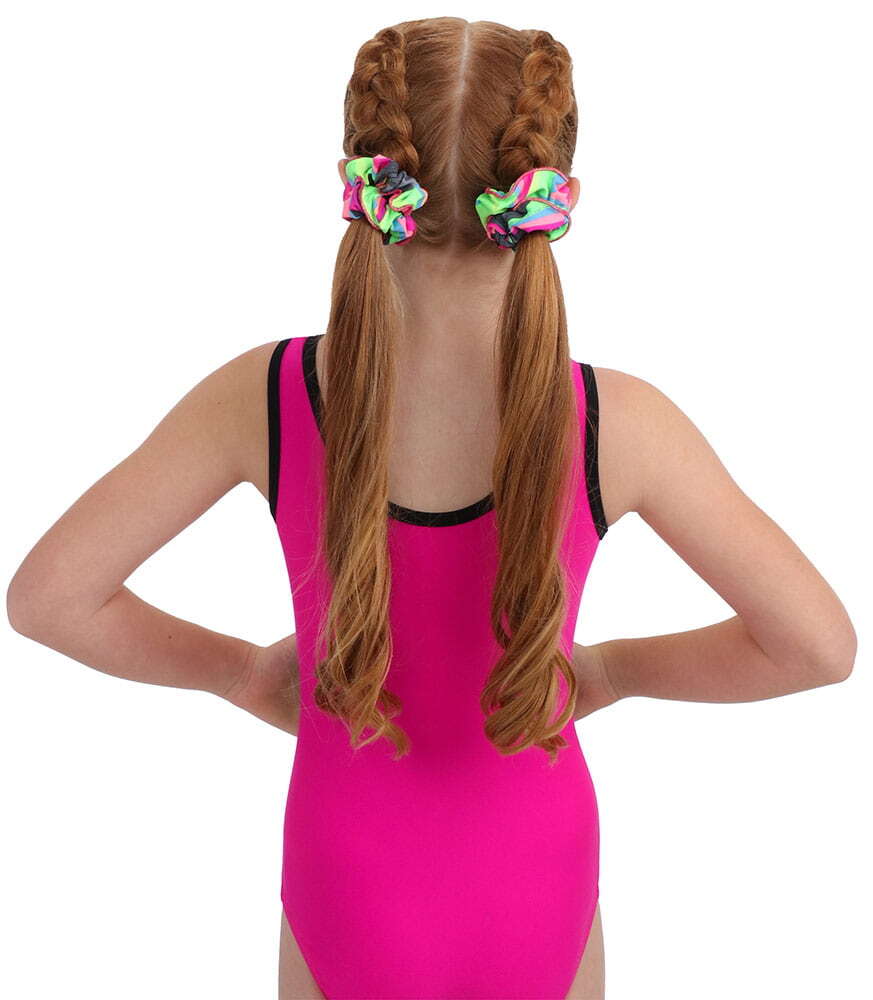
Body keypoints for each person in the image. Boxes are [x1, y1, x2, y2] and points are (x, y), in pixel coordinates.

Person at [6, 16, 856, 1000]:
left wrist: (241, 672)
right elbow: (816, 646)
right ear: (552, 194)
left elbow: (49, 598)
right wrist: (609, 671)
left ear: (363, 187)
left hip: (346, 880)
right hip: (533, 881)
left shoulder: (270, 397)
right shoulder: (613, 422)